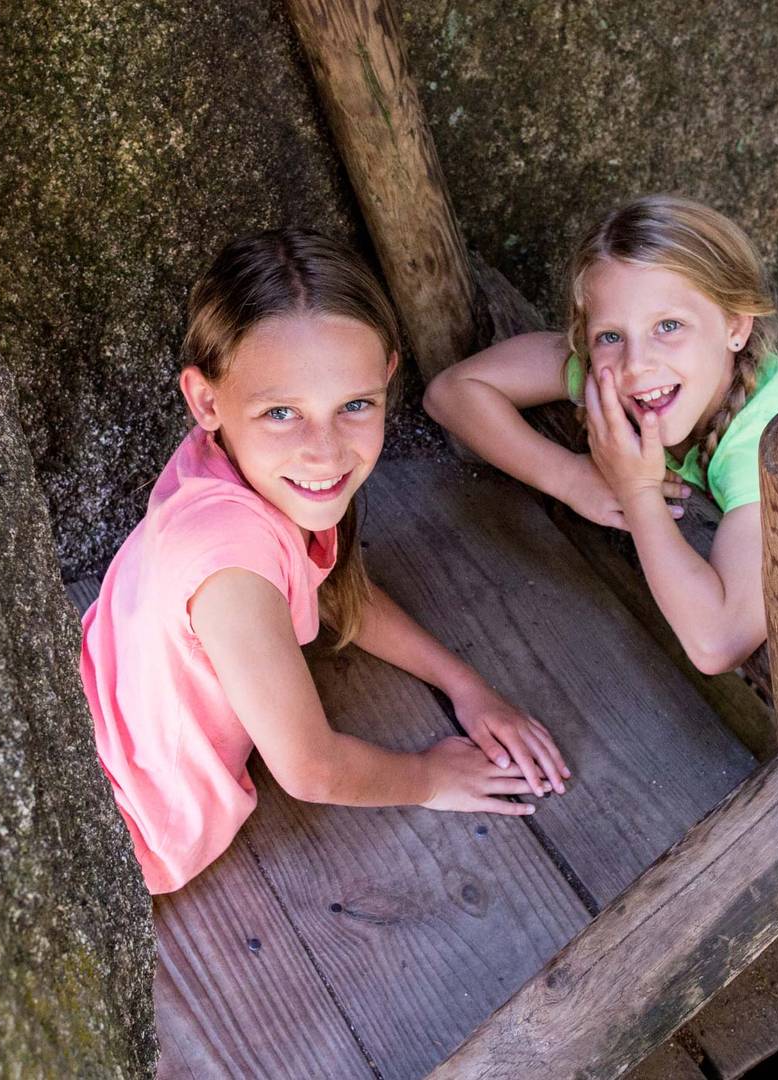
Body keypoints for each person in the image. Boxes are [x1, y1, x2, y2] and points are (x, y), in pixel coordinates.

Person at [81, 227, 569, 895]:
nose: (326, 451)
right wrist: (428, 777)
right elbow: (310, 768)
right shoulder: (230, 566)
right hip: (127, 832)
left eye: (355, 406)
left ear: (388, 378)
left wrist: (468, 688)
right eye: (283, 412)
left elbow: (334, 589)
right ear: (205, 400)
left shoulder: (232, 463)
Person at [424, 195, 778, 676]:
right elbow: (450, 392)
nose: (636, 364)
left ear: (736, 326)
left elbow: (716, 644)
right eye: (611, 336)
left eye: (669, 326)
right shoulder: (616, 374)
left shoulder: (768, 448)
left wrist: (635, 489)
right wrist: (568, 477)